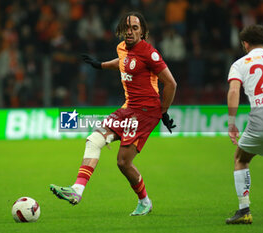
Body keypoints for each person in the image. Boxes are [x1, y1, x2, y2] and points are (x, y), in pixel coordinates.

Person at [50, 11, 177, 216]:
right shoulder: (121, 48)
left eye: (135, 28)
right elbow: (122, 62)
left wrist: (163, 112)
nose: (130, 31)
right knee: (93, 139)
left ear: (142, 31)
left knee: (123, 162)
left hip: (145, 112)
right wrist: (100, 65)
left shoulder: (149, 53)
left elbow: (171, 83)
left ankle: (145, 202)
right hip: (128, 109)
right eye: (127, 27)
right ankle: (77, 190)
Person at [226, 25, 263, 224]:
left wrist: (232, 123)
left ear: (245, 44)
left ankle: (244, 211)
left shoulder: (239, 64)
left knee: (241, 159)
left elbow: (234, 92)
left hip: (260, 117)